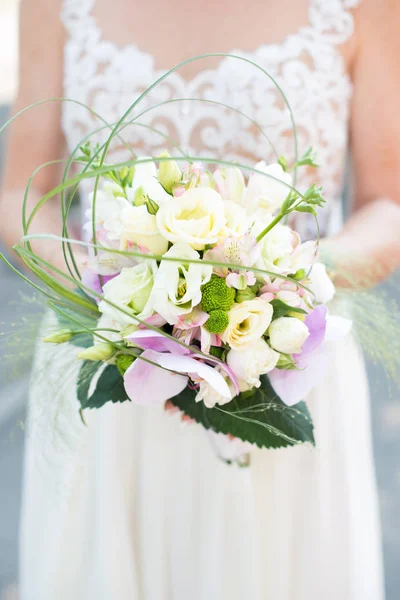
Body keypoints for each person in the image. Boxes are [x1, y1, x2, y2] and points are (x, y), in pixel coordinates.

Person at [0, 0, 399, 598]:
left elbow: (386, 204)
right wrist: (113, 301)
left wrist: (275, 284)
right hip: (110, 351)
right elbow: (23, 193)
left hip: (279, 356)